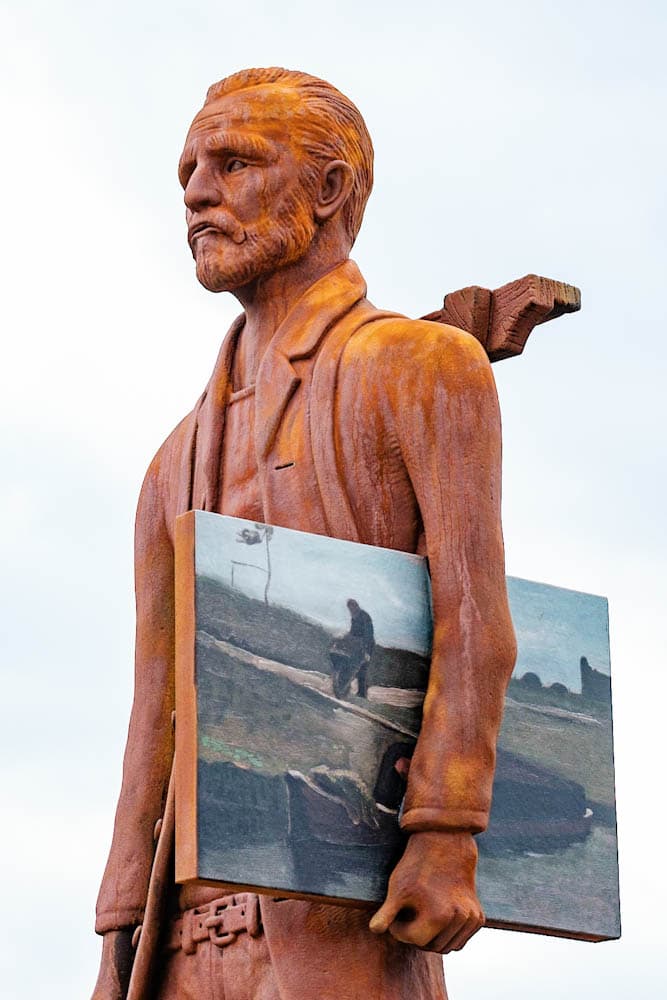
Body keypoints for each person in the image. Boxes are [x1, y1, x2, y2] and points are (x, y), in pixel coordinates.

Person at [91, 67, 517, 1000]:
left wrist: (446, 833)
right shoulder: (171, 462)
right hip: (179, 943)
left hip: (340, 926)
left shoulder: (419, 366)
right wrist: (120, 924)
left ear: (327, 191)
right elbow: (153, 707)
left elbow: (474, 618)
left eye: (234, 162)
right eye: (188, 172)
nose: (199, 192)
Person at [330, 598, 375, 698]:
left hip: (367, 645)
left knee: (362, 670)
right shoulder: (354, 617)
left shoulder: (364, 616)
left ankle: (362, 694)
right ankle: (346, 689)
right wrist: (346, 637)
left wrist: (367, 651)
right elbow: (353, 632)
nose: (350, 610)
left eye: (351, 607)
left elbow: (369, 634)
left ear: (356, 606)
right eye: (349, 608)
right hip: (357, 645)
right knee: (353, 667)